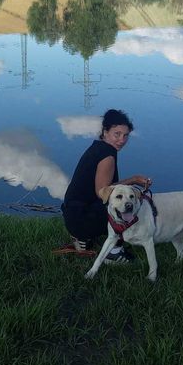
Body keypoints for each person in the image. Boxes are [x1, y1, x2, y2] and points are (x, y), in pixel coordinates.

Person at [60, 109, 152, 263]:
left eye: (125, 135)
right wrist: (134, 180)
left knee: (122, 199)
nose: (121, 140)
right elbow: (102, 192)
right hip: (81, 219)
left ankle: (83, 238)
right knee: (128, 204)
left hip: (73, 215)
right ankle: (113, 253)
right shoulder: (107, 156)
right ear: (105, 132)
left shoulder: (97, 147)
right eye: (117, 134)